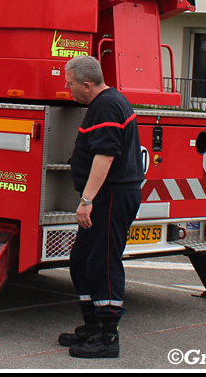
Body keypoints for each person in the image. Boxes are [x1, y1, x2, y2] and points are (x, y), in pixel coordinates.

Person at [58, 55, 143, 359]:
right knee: (82, 261)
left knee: (103, 263)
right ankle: (92, 323)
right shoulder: (106, 103)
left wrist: (87, 200)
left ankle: (107, 337)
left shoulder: (106, 105)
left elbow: (105, 156)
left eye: (70, 85)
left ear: (86, 83)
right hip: (107, 196)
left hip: (110, 197)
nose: (68, 90)